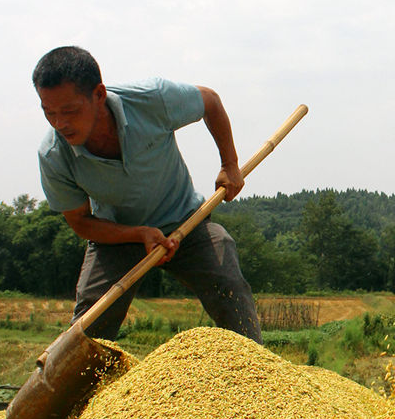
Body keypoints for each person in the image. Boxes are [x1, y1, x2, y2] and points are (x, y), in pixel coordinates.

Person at [32, 45, 262, 344]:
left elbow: (210, 102)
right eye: (49, 112)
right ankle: (81, 390)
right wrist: (138, 233)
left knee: (228, 283)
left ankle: (257, 372)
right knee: (88, 329)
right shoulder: (53, 155)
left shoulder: (151, 98)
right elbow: (81, 222)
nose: (60, 124)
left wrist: (230, 165)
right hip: (117, 236)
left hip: (186, 224)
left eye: (70, 111)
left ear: (99, 95)